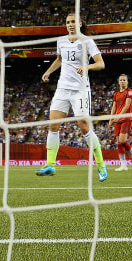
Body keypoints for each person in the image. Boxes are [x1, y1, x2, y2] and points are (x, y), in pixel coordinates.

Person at [36, 12, 108, 182]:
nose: (70, 24)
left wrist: (87, 66)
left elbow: (101, 63)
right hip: (62, 88)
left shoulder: (87, 42)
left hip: (80, 90)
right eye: (68, 22)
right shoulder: (61, 41)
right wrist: (48, 71)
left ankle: (101, 165)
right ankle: (50, 165)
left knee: (83, 126)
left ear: (80, 24)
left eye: (74, 22)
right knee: (53, 124)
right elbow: (60, 59)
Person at [108, 74, 132, 172]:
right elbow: (114, 107)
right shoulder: (116, 93)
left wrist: (119, 116)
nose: (122, 81)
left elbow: (127, 106)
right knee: (119, 142)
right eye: (121, 80)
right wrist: (111, 119)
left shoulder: (129, 92)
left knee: (122, 140)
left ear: (127, 82)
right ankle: (123, 165)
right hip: (117, 119)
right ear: (118, 82)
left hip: (126, 118)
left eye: (124, 80)